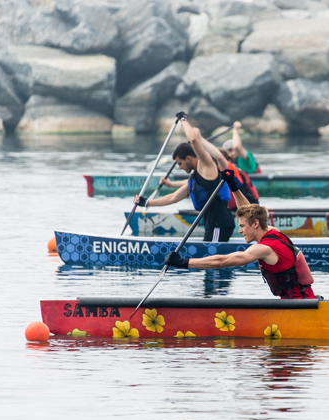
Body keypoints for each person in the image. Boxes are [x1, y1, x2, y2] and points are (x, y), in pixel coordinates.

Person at [164, 203, 317, 300]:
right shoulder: (274, 232)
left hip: (298, 305)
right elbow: (251, 211)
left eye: (242, 226)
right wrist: (235, 188)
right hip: (304, 299)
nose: (240, 230)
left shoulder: (264, 249)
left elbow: (221, 261)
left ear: (255, 224)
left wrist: (183, 263)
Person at [135, 113, 236, 242]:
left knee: (210, 260)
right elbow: (173, 197)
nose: (180, 167)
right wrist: (146, 203)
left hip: (219, 224)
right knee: (207, 258)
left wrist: (183, 120)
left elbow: (193, 139)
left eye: (180, 163)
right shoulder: (194, 179)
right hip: (213, 224)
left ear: (188, 158)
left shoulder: (206, 165)